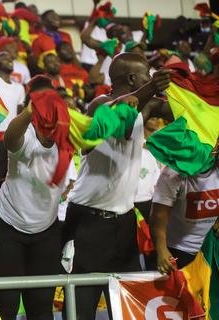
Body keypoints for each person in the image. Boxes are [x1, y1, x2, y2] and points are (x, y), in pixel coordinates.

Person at [63, 52, 172, 319]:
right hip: (89, 221)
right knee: (82, 304)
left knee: (126, 303)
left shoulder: (147, 105)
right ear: (133, 78)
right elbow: (121, 120)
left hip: (123, 221)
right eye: (146, 74)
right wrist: (151, 86)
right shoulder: (100, 104)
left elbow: (177, 109)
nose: (150, 78)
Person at [0, 76, 65, 320]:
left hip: (46, 231)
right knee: (6, 302)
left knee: (41, 305)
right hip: (9, 226)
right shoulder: (27, 137)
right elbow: (10, 138)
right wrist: (29, 112)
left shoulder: (66, 137)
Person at [151, 141, 219, 274]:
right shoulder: (174, 172)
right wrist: (161, 250)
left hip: (206, 249)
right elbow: (158, 216)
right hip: (174, 248)